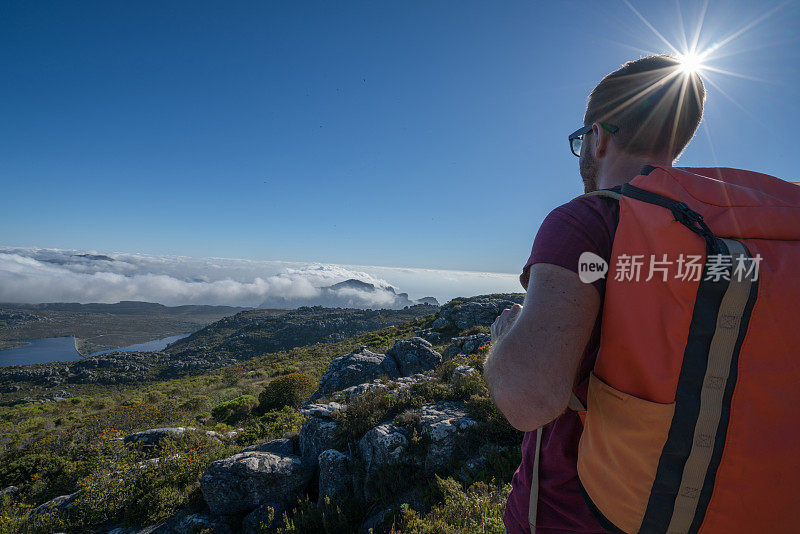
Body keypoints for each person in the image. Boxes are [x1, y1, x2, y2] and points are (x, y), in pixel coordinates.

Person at [483, 55, 706, 534]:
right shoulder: (708, 233)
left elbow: (528, 400)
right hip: (695, 510)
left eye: (582, 139)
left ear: (598, 137)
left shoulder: (586, 220)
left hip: (576, 516)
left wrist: (504, 338)